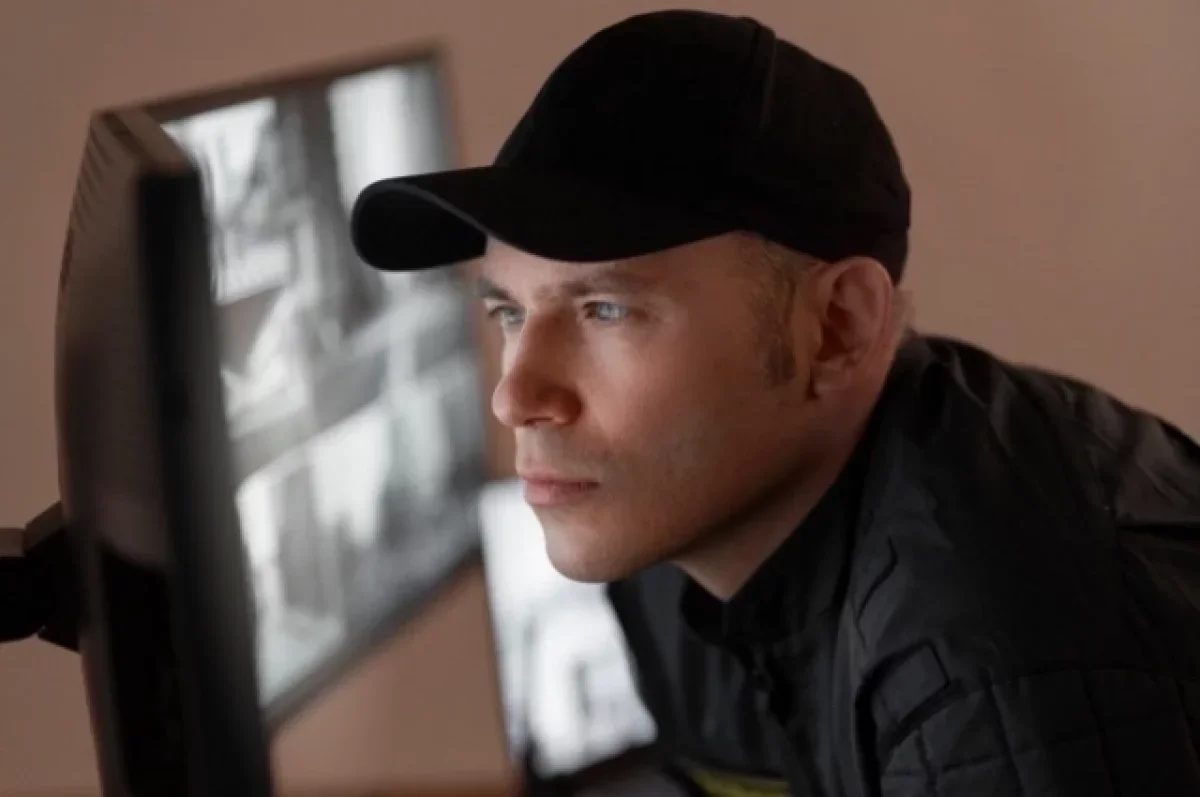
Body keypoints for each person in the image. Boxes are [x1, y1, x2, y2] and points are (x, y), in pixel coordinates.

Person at [349, 9, 1200, 795]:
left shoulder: (996, 678)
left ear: (837, 327)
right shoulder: (682, 533)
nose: (515, 396)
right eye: (508, 312)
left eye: (605, 310)